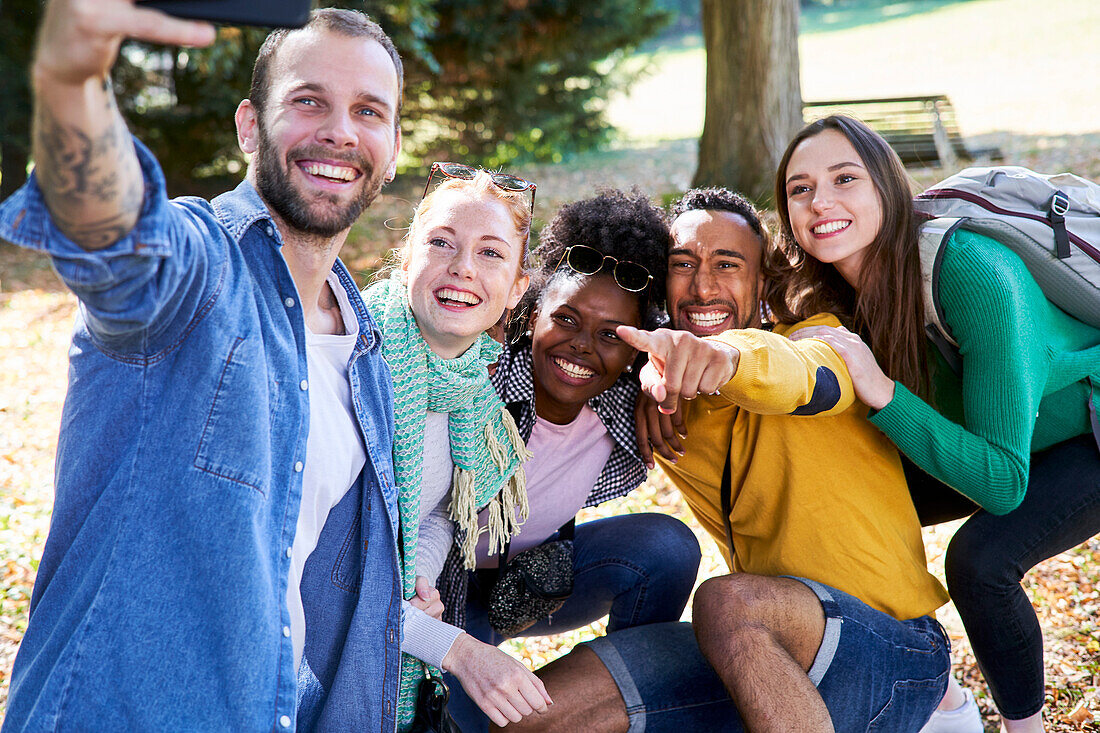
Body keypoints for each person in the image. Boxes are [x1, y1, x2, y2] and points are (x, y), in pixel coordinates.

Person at [0, 4, 405, 730]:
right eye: (309, 101)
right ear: (250, 125)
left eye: (369, 111)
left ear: (395, 146)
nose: (341, 131)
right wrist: (71, 81)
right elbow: (116, 237)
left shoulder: (362, 345)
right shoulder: (199, 268)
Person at [499, 187, 954, 733]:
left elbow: (807, 377)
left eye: (727, 264)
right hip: (762, 661)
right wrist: (656, 377)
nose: (704, 285)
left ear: (761, 283)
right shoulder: (658, 398)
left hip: (891, 649)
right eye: (683, 264)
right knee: (530, 716)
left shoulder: (820, 341)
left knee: (725, 602)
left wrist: (725, 358)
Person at [777, 114, 1100, 733]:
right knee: (839, 496)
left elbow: (1001, 484)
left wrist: (882, 391)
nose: (821, 202)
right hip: (1008, 434)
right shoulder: (826, 286)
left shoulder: (969, 270)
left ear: (886, 188)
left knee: (981, 560)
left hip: (1089, 428)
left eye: (845, 179)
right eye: (800, 188)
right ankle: (935, 696)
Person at [299, 162, 555, 732]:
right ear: (409, 257)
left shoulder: (471, 388)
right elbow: (327, 577)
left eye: (491, 253)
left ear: (516, 288)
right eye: (441, 243)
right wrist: (457, 649)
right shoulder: (354, 366)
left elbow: (436, 514)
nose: (462, 267)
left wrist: (421, 578)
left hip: (392, 632)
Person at [443, 190, 702, 732]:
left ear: (638, 348)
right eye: (566, 319)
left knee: (665, 545)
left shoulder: (626, 411)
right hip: (442, 588)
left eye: (611, 335)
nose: (583, 346)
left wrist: (658, 381)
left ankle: (616, 698)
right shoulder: (480, 379)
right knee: (461, 725)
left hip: (540, 579)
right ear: (531, 313)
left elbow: (742, 323)